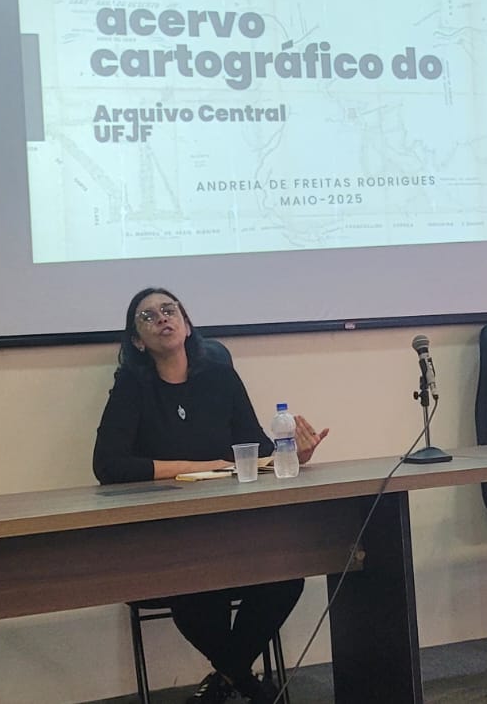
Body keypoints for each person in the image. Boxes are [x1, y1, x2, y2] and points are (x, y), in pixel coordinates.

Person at [94, 287, 330, 704]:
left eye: (169, 310)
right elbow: (108, 465)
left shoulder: (221, 378)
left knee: (285, 578)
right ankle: (248, 684)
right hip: (168, 533)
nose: (162, 318)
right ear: (137, 341)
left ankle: (227, 679)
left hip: (231, 527)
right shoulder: (133, 385)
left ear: (186, 324)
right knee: (196, 591)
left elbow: (257, 450)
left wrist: (294, 454)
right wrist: (194, 466)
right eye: (148, 316)